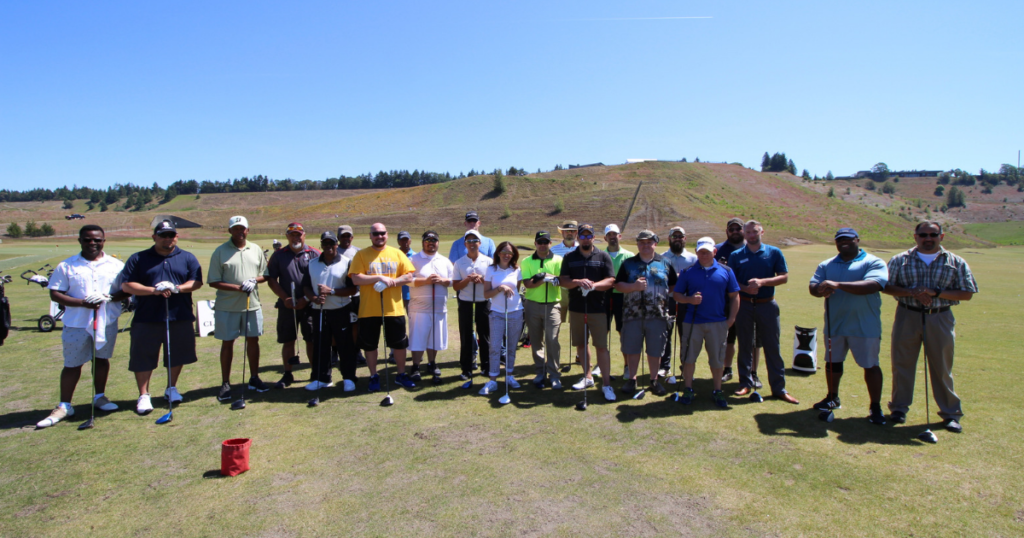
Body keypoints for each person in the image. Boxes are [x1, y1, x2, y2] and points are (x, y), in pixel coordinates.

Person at [882, 221, 977, 432]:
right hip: (907, 315)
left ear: (941, 236)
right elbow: (886, 286)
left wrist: (936, 292)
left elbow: (967, 293)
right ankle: (898, 408)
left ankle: (950, 413)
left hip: (940, 317)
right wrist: (912, 292)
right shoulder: (900, 260)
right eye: (923, 234)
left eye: (933, 234)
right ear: (915, 236)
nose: (928, 238)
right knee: (902, 364)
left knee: (942, 367)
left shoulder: (955, 262)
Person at [37, 225, 128, 428]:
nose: (92, 243)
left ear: (104, 241)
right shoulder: (67, 266)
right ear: (80, 241)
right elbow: (56, 293)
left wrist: (109, 297)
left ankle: (100, 397)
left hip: (106, 321)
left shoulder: (116, 265)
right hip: (76, 323)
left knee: (102, 360)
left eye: (97, 240)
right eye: (87, 240)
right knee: (72, 364)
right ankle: (64, 405)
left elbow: (125, 290)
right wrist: (82, 303)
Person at [120, 220, 203, 414]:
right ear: (154, 237)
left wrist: (177, 288)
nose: (168, 239)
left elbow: (196, 282)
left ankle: (171, 388)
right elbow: (127, 285)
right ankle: (143, 395)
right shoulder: (138, 258)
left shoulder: (188, 257)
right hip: (147, 316)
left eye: (171, 235)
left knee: (177, 354)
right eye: (163, 235)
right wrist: (153, 290)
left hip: (179, 315)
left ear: (176, 236)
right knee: (143, 356)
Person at [809, 228, 889, 424]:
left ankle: (875, 406)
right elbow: (813, 286)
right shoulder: (827, 264)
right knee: (833, 363)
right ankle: (832, 397)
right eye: (839, 240)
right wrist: (820, 289)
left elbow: (874, 285)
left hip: (865, 326)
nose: (843, 243)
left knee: (870, 365)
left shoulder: (872, 262)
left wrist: (838, 285)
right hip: (835, 324)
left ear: (857, 240)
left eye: (848, 239)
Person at [728, 220, 799, 404]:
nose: (752, 235)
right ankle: (745, 383)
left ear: (762, 232)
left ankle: (779, 388)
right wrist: (745, 288)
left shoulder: (773, 252)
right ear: (744, 234)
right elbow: (731, 281)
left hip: (767, 304)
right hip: (744, 305)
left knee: (772, 346)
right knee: (745, 344)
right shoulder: (736, 255)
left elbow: (784, 277)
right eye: (748, 232)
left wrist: (762, 283)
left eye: (755, 232)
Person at [208, 216, 271, 402]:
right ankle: (226, 383)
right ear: (230, 231)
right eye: (235, 229)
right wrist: (238, 288)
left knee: (253, 340)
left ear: (248, 230)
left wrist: (254, 280)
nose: (239, 231)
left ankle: (254, 378)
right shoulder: (220, 251)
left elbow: (264, 274)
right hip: (227, 306)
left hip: (252, 304)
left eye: (242, 228)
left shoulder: (256, 249)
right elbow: (213, 281)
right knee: (227, 343)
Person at [349, 223, 417, 390]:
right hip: (368, 309)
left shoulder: (397, 253)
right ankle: (373, 376)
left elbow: (409, 276)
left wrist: (392, 282)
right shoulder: (361, 255)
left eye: (382, 233)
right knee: (370, 345)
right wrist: (378, 277)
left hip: (393, 309)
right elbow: (356, 279)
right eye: (375, 233)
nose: (379, 236)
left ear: (387, 235)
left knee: (399, 344)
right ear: (370, 236)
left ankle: (401, 374)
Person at [673, 237, 739, 408]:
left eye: (708, 252)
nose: (704, 254)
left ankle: (717, 390)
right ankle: (688, 388)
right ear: (696, 252)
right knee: (688, 358)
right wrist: (689, 299)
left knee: (717, 360)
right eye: (701, 251)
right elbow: (677, 295)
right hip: (692, 322)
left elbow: (734, 296)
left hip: (717, 322)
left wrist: (731, 319)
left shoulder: (726, 271)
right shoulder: (688, 272)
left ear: (714, 252)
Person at [614, 230, 677, 398]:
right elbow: (618, 285)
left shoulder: (666, 263)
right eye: (642, 242)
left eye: (649, 242)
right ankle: (632, 379)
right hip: (632, 314)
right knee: (632, 348)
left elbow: (672, 285)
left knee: (655, 350)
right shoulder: (628, 263)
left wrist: (659, 295)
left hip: (657, 314)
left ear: (655, 244)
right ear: (637, 244)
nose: (645, 245)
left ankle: (654, 380)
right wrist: (633, 287)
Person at [559, 224, 617, 401]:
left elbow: (611, 280)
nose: (585, 239)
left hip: (598, 308)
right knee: (581, 344)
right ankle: (588, 376)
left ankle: (606, 384)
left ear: (593, 237)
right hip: (577, 308)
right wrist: (577, 281)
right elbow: (563, 281)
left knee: (601, 346)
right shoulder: (569, 257)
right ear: (578, 237)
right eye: (582, 236)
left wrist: (594, 285)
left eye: (588, 235)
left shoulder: (603, 256)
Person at [302, 231, 359, 392]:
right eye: (325, 244)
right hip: (319, 310)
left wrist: (332, 291)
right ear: (321, 245)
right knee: (321, 345)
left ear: (336, 244)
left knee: (345, 346)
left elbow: (352, 289)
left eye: (331, 243)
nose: (328, 247)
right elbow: (305, 286)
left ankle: (349, 377)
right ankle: (322, 378)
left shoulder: (347, 262)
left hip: (340, 310)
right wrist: (313, 298)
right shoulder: (312, 264)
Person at [266, 222, 319, 387]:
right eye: (292, 234)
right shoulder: (279, 255)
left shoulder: (314, 254)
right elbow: (271, 279)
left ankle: (315, 373)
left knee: (311, 339)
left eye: (299, 234)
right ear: (287, 236)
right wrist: (284, 298)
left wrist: (307, 299)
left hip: (309, 305)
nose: (296, 237)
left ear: (304, 235)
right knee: (288, 340)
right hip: (287, 305)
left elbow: (320, 279)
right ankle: (288, 374)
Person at [714, 217, 761, 383]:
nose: (734, 232)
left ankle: (753, 372)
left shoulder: (752, 248)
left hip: (750, 301)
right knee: (728, 338)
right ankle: (728, 369)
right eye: (731, 229)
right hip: (726, 301)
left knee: (752, 339)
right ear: (727, 232)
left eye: (738, 229)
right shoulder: (718, 249)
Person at [408, 231, 454, 382]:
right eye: (428, 240)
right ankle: (415, 366)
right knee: (418, 338)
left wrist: (442, 280)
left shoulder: (444, 261)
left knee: (435, 338)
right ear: (423, 242)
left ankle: (432, 363)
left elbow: (453, 281)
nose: (431, 242)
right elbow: (408, 280)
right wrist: (426, 281)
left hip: (439, 307)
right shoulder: (413, 259)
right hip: (419, 307)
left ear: (438, 242)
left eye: (434, 240)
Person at [520, 231, 564, 389]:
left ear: (550, 243)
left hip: (552, 305)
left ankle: (554, 374)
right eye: (540, 242)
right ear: (535, 244)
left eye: (546, 242)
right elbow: (528, 284)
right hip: (532, 305)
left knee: (552, 340)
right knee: (537, 341)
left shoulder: (558, 260)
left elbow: (562, 281)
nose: (543, 245)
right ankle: (540, 372)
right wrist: (541, 279)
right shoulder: (527, 261)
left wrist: (547, 277)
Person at [480, 241, 524, 395]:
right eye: (504, 252)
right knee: (495, 347)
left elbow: (517, 291)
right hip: (496, 312)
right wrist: (500, 288)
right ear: (498, 253)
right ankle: (492, 380)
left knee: (512, 346)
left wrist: (508, 289)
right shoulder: (491, 269)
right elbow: (486, 294)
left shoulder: (517, 269)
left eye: (510, 253)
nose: (507, 255)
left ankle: (510, 376)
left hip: (516, 311)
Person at [452, 230, 492, 382]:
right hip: (465, 302)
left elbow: (492, 282)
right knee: (466, 335)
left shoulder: (488, 261)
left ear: (480, 243)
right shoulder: (459, 262)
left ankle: (486, 366)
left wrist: (482, 279)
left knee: (484, 335)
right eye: (468, 241)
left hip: (483, 301)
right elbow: (456, 286)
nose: (472, 243)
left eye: (475, 240)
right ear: (465, 244)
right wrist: (468, 280)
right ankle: (466, 368)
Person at [660, 226, 698, 378]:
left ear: (685, 239)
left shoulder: (693, 259)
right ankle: (664, 366)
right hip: (666, 301)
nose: (677, 239)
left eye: (680, 236)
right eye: (674, 236)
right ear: (669, 239)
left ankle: (685, 366)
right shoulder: (661, 258)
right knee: (665, 335)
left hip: (686, 302)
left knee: (685, 335)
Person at [603, 224, 634, 379]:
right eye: (610, 235)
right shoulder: (601, 255)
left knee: (624, 333)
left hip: (623, 298)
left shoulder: (629, 256)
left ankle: (627, 366)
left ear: (620, 236)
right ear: (605, 238)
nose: (613, 237)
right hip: (604, 297)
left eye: (615, 234)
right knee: (603, 332)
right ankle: (600, 365)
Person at [337, 225, 363, 363]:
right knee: (336, 325)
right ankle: (334, 352)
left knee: (355, 325)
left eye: (348, 236)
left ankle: (356, 351)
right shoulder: (334, 251)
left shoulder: (358, 252)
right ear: (338, 238)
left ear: (352, 237)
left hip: (355, 296)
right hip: (338, 295)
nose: (346, 238)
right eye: (343, 236)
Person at [397, 231, 415, 311]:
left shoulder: (416, 256)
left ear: (410, 240)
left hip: (411, 294)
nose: (405, 242)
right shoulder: (394, 255)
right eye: (402, 240)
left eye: (406, 240)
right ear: (398, 242)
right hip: (396, 294)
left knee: (413, 319)